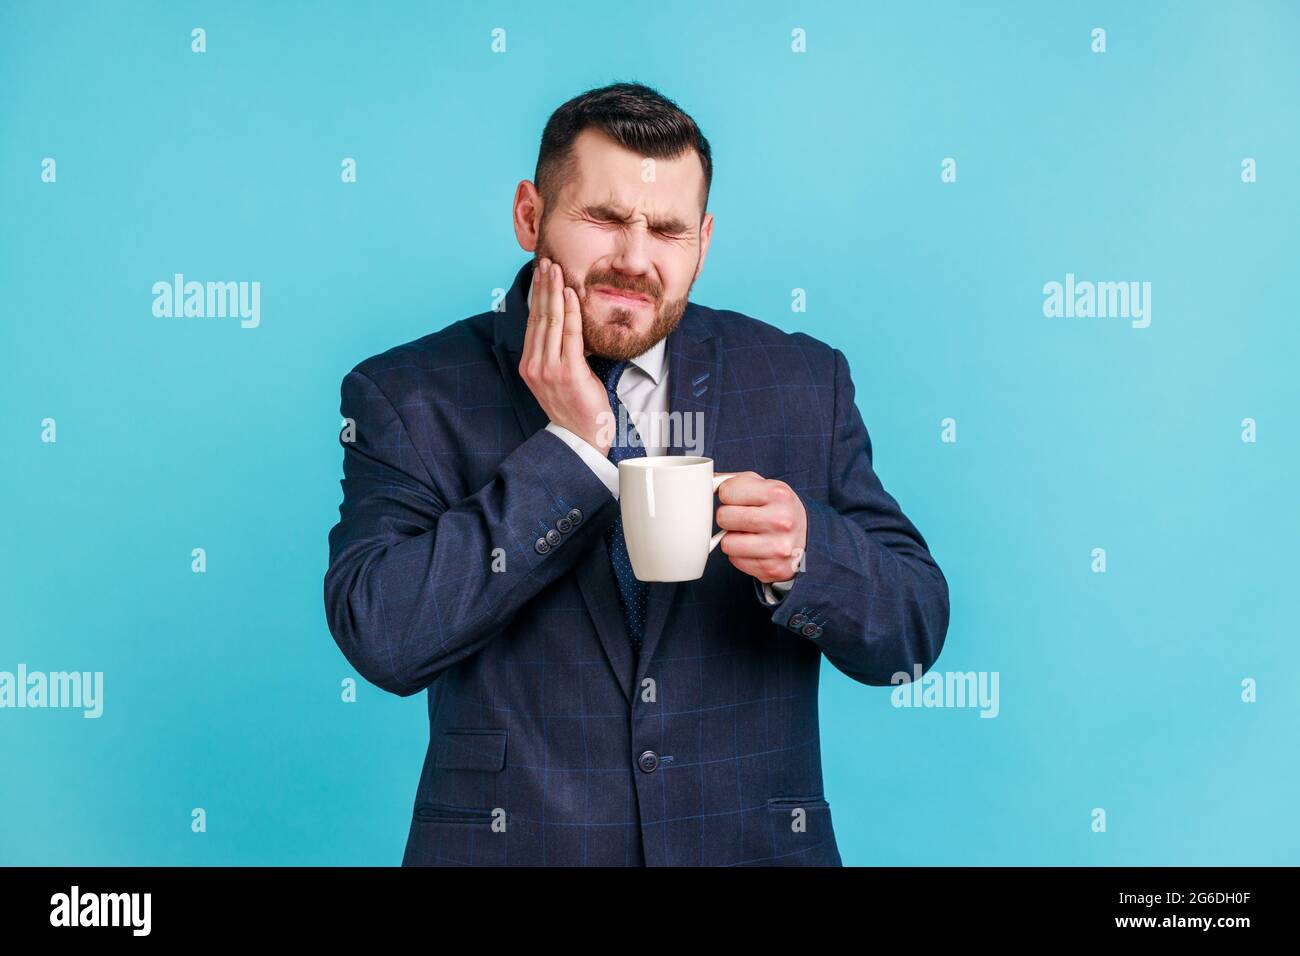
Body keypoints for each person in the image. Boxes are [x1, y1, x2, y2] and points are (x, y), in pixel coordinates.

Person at [323, 82, 950, 866]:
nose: (635, 258)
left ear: (704, 242)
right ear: (530, 216)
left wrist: (808, 556)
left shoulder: (800, 381)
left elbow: (914, 636)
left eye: (667, 230)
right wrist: (574, 451)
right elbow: (383, 637)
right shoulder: (410, 395)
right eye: (605, 218)